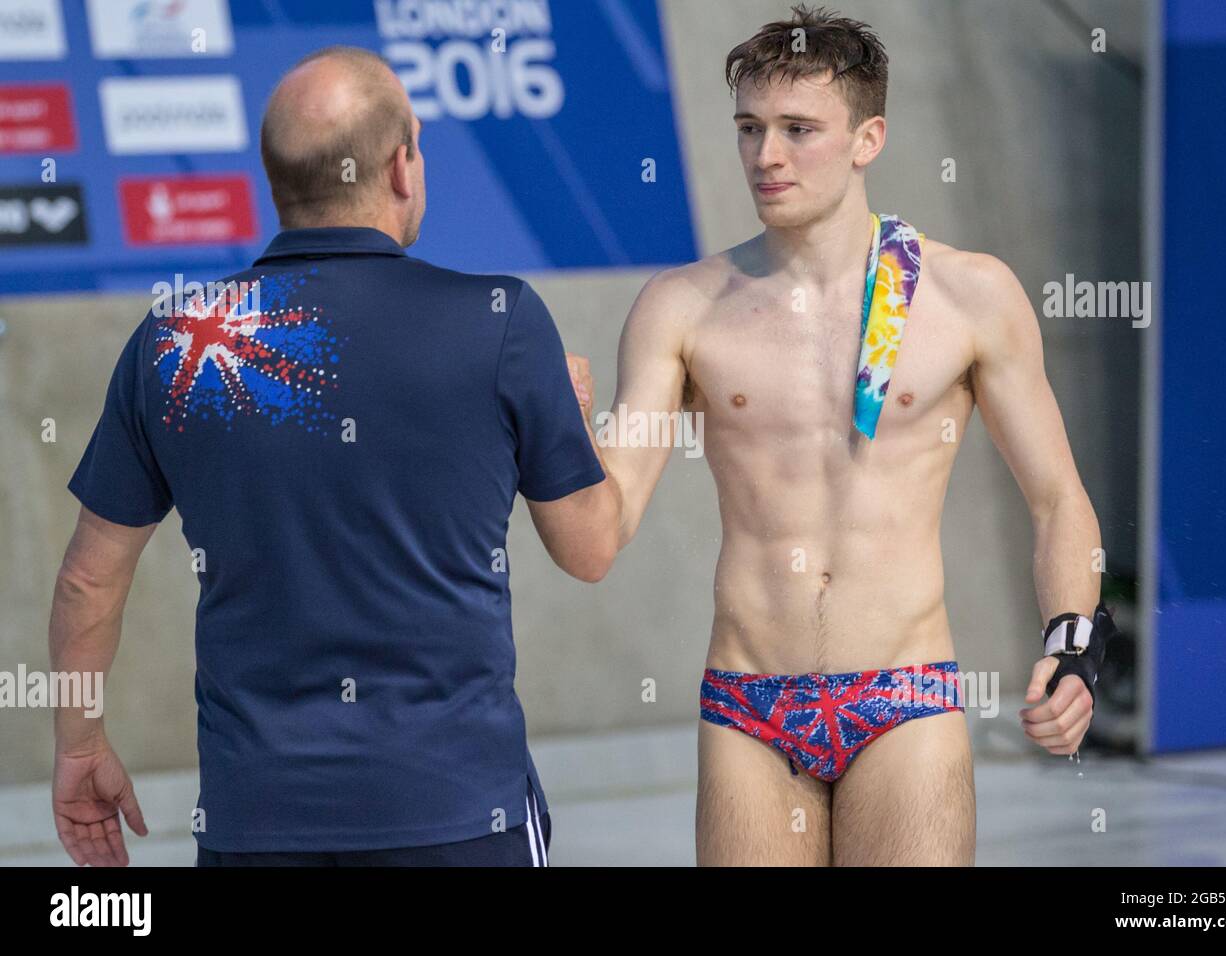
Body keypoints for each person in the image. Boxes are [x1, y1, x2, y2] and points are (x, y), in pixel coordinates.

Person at [49, 45, 619, 867]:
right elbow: (591, 548)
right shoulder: (501, 321)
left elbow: (85, 579)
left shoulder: (177, 341)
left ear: (278, 180)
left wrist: (79, 747)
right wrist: (580, 422)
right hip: (459, 815)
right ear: (401, 166)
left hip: (257, 822)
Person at [569, 4, 1108, 866]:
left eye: (796, 130)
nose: (766, 156)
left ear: (868, 139)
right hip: (750, 703)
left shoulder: (970, 296)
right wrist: (554, 437)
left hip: (907, 696)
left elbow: (1057, 501)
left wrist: (1072, 643)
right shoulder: (681, 306)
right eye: (749, 128)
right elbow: (602, 532)